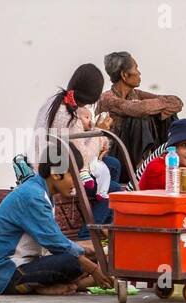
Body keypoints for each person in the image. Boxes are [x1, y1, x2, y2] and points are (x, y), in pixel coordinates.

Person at [0, 151, 110, 295]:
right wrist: (93, 269)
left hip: (28, 264)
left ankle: (69, 284)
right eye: (73, 176)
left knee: (87, 255)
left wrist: (89, 252)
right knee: (73, 261)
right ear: (56, 175)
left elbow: (57, 240)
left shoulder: (43, 192)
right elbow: (54, 242)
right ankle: (58, 285)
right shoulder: (33, 196)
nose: (77, 182)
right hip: (9, 273)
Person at [33, 64, 120, 236]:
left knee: (113, 165)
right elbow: (82, 158)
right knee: (115, 189)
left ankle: (100, 215)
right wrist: (101, 133)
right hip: (60, 173)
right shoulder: (68, 116)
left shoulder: (56, 101)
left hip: (55, 161)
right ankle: (88, 234)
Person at [98, 51, 183, 172]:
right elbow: (137, 109)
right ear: (124, 75)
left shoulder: (136, 94)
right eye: (136, 68)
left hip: (131, 152)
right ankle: (142, 168)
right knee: (139, 117)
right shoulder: (107, 98)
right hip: (117, 156)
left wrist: (161, 108)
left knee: (168, 115)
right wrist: (151, 106)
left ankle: (169, 158)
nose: (139, 73)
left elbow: (176, 102)